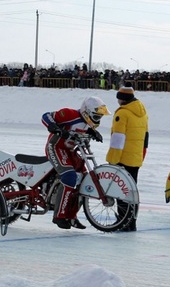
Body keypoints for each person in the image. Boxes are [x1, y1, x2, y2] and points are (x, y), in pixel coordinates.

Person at [41, 96, 110, 229]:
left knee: (84, 180)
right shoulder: (69, 114)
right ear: (87, 112)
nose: (98, 120)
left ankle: (72, 216)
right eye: (96, 116)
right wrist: (53, 126)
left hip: (70, 151)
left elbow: (80, 130)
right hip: (56, 147)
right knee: (69, 176)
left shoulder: (87, 123)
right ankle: (59, 216)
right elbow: (46, 116)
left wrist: (92, 132)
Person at [106, 82, 149, 232]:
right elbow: (146, 136)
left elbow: (118, 139)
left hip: (123, 158)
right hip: (136, 157)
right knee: (132, 191)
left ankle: (122, 221)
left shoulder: (122, 113)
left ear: (122, 98)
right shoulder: (142, 112)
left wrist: (112, 159)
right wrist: (141, 155)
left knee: (121, 190)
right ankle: (132, 222)